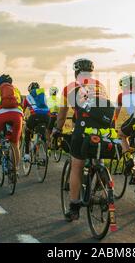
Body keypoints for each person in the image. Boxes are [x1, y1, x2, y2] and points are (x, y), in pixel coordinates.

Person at [53, 58, 111, 221]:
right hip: (103, 131)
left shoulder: (69, 88)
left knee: (76, 167)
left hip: (83, 129)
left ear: (75, 72)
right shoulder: (101, 86)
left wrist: (58, 129)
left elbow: (62, 114)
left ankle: (74, 207)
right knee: (98, 153)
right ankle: (101, 173)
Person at [0, 75, 23, 169]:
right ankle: (15, 169)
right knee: (15, 144)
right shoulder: (16, 90)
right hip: (17, 114)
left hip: (1, 114)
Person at [22, 82, 50, 162]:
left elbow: (23, 110)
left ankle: (27, 154)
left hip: (35, 116)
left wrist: (23, 118)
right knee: (43, 132)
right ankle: (46, 149)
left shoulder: (28, 97)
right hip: (47, 117)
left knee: (27, 130)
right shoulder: (44, 96)